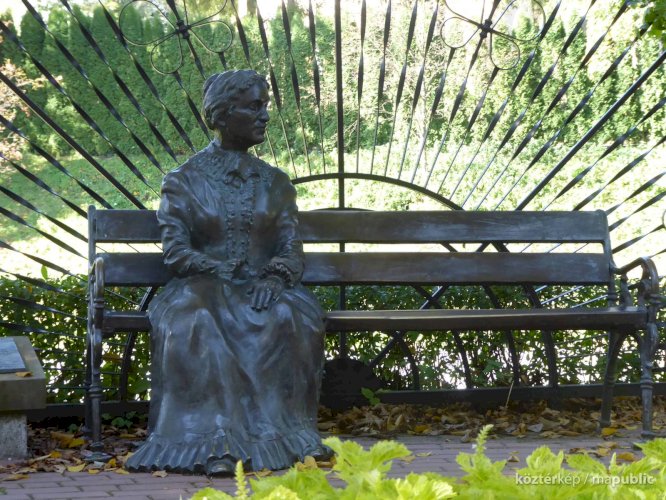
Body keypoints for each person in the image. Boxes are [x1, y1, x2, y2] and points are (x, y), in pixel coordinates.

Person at [125, 70, 328, 475]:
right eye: (254, 107)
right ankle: (212, 443)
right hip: (199, 286)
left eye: (265, 106)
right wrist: (215, 266)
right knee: (196, 322)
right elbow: (176, 251)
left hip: (262, 286)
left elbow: (290, 245)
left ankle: (289, 437)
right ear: (221, 114)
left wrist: (275, 276)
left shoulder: (276, 183)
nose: (264, 115)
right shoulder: (184, 181)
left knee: (289, 315)